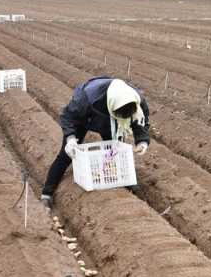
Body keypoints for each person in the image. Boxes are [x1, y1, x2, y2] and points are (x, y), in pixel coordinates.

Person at [40, 77, 151, 209]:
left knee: (114, 151)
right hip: (84, 119)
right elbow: (67, 116)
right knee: (66, 155)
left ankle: (125, 182)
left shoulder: (135, 100)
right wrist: (70, 138)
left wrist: (142, 140)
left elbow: (140, 121)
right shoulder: (86, 98)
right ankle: (47, 194)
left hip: (112, 120)